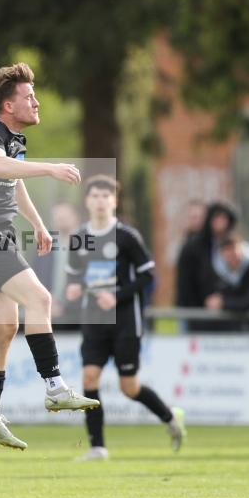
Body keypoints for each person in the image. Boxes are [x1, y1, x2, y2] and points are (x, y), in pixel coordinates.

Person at [0, 62, 98, 450]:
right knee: (41, 299)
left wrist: (35, 223)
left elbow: (11, 178)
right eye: (28, 96)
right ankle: (54, 386)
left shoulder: (13, 136)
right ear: (7, 105)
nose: (36, 102)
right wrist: (50, 169)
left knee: (4, 327)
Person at [66, 176, 185, 460]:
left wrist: (116, 295)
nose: (100, 201)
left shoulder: (127, 237)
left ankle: (170, 418)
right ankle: (97, 447)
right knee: (89, 377)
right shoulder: (79, 238)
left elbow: (147, 275)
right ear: (87, 201)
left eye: (105, 196)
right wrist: (73, 288)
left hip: (125, 320)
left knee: (129, 386)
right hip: (94, 320)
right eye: (94, 196)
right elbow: (75, 276)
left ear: (114, 201)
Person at [176, 201, 239, 331]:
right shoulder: (193, 248)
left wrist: (225, 302)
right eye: (216, 217)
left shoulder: (237, 248)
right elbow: (185, 285)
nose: (220, 222)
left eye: (224, 218)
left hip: (230, 316)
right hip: (197, 315)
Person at [33, 201, 81, 331]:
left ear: (75, 217)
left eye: (65, 217)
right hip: (49, 311)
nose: (61, 221)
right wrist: (49, 301)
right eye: (57, 218)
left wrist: (65, 305)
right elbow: (36, 276)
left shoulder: (87, 244)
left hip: (80, 313)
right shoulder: (44, 244)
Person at [202, 232, 249, 332]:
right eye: (226, 252)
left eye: (233, 250)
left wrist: (224, 303)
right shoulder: (216, 271)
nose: (231, 256)